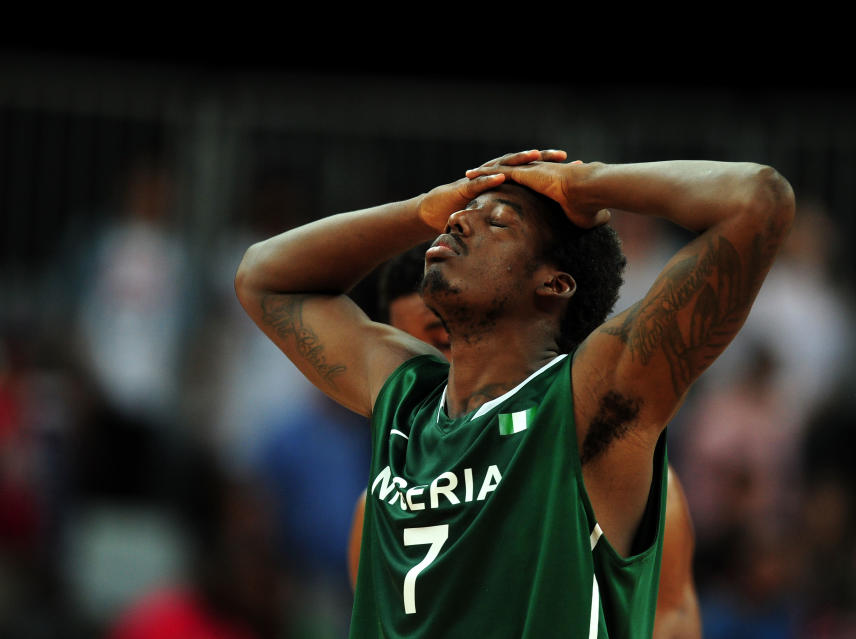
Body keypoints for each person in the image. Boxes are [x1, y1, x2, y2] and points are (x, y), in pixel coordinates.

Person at [235, 149, 795, 638]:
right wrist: (424, 207)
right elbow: (262, 275)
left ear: (555, 283)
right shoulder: (406, 396)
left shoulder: (585, 401)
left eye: (498, 223)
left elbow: (757, 199)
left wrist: (583, 183)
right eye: (458, 218)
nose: (457, 224)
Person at [344, 243, 701, 638]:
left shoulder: (611, 469)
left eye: (442, 341)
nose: (427, 368)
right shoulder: (377, 506)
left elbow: (671, 618)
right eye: (407, 351)